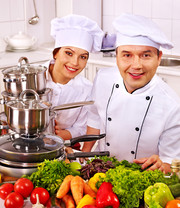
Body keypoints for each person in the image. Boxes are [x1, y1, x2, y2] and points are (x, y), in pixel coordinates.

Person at [82, 13, 180, 173]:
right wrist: (85, 154)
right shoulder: (103, 79)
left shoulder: (172, 107)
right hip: (101, 172)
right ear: (117, 57)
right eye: (127, 55)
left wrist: (163, 165)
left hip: (140, 180)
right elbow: (94, 116)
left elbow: (172, 163)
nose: (136, 66)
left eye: (146, 55)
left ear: (159, 58)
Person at [44, 14, 104, 145]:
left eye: (83, 57)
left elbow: (82, 127)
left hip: (65, 145)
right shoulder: (33, 78)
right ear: (55, 53)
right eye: (69, 53)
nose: (75, 62)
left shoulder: (87, 90)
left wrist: (61, 135)